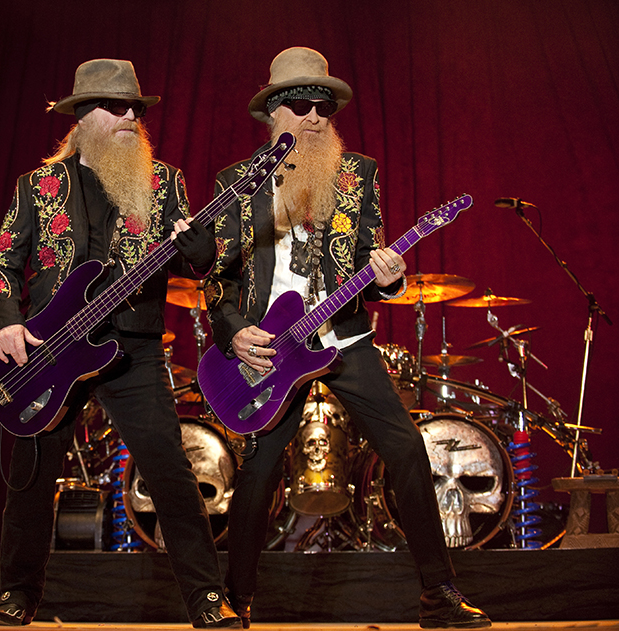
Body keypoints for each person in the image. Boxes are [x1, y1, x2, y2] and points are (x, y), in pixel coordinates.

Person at [203, 47, 491, 629]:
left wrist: (390, 279)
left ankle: (440, 596)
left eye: (324, 108)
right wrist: (234, 333)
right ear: (273, 113)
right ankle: (237, 598)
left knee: (409, 451)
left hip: (344, 339)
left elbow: (367, 262)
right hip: (271, 350)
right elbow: (217, 281)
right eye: (302, 105)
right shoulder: (236, 184)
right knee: (258, 472)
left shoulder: (358, 175)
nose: (315, 117)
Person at [0, 58, 241, 629]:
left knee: (170, 472)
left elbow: (203, 263)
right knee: (31, 475)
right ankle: (17, 595)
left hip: (133, 349)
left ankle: (205, 597)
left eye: (136, 109)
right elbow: (2, 262)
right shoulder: (38, 187)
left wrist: (198, 245)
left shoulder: (163, 182)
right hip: (50, 352)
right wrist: (5, 320)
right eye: (115, 107)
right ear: (82, 117)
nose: (129, 117)